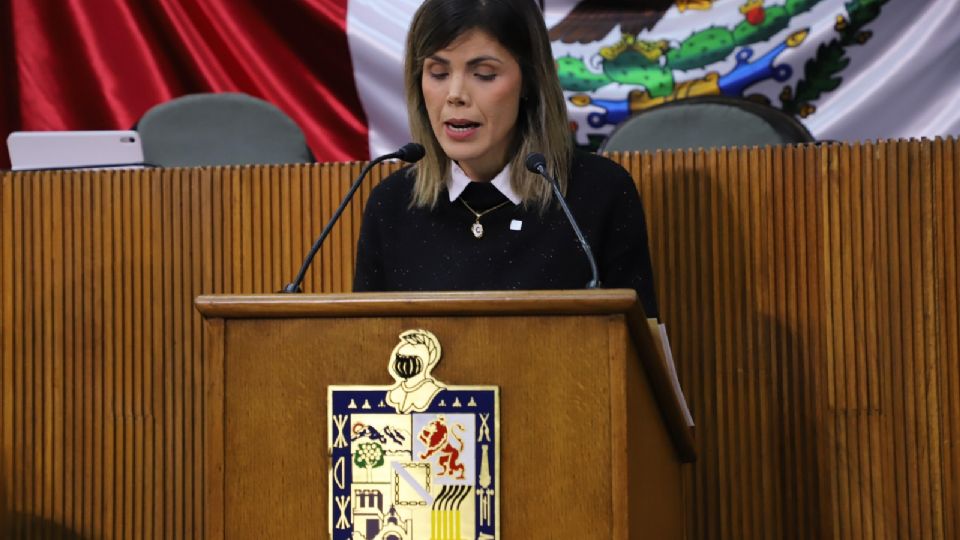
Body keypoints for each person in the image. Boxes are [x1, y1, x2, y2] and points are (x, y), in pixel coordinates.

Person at [353, 0, 659, 318]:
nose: (455, 94)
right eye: (439, 73)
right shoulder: (391, 205)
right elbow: (367, 351)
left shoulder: (597, 194)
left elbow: (635, 355)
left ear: (530, 81)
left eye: (484, 74)